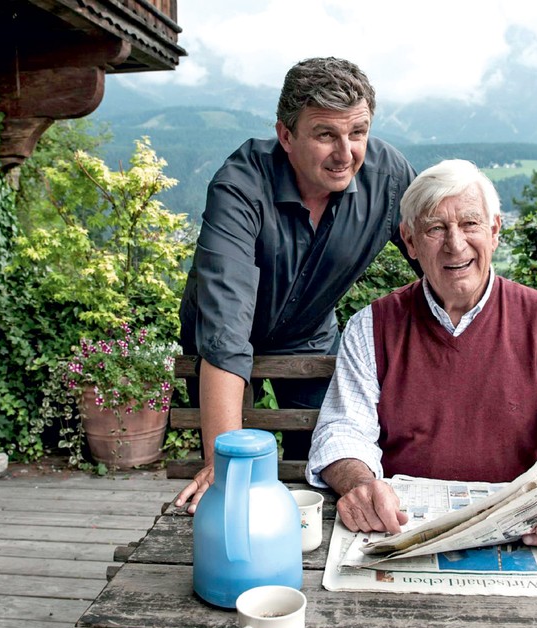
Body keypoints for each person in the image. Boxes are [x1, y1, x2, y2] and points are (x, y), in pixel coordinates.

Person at [306, 159, 537, 553]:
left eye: (470, 224)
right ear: (410, 241)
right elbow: (342, 433)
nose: (456, 243)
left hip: (525, 540)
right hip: (401, 535)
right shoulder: (371, 327)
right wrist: (361, 485)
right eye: (436, 228)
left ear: (495, 230)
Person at [176, 56, 417, 513]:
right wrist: (221, 462)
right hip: (220, 346)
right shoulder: (240, 186)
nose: (346, 154)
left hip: (310, 337)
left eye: (358, 132)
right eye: (326, 134)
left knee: (321, 470)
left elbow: (441, 263)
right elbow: (226, 333)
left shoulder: (389, 179)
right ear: (286, 135)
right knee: (231, 481)